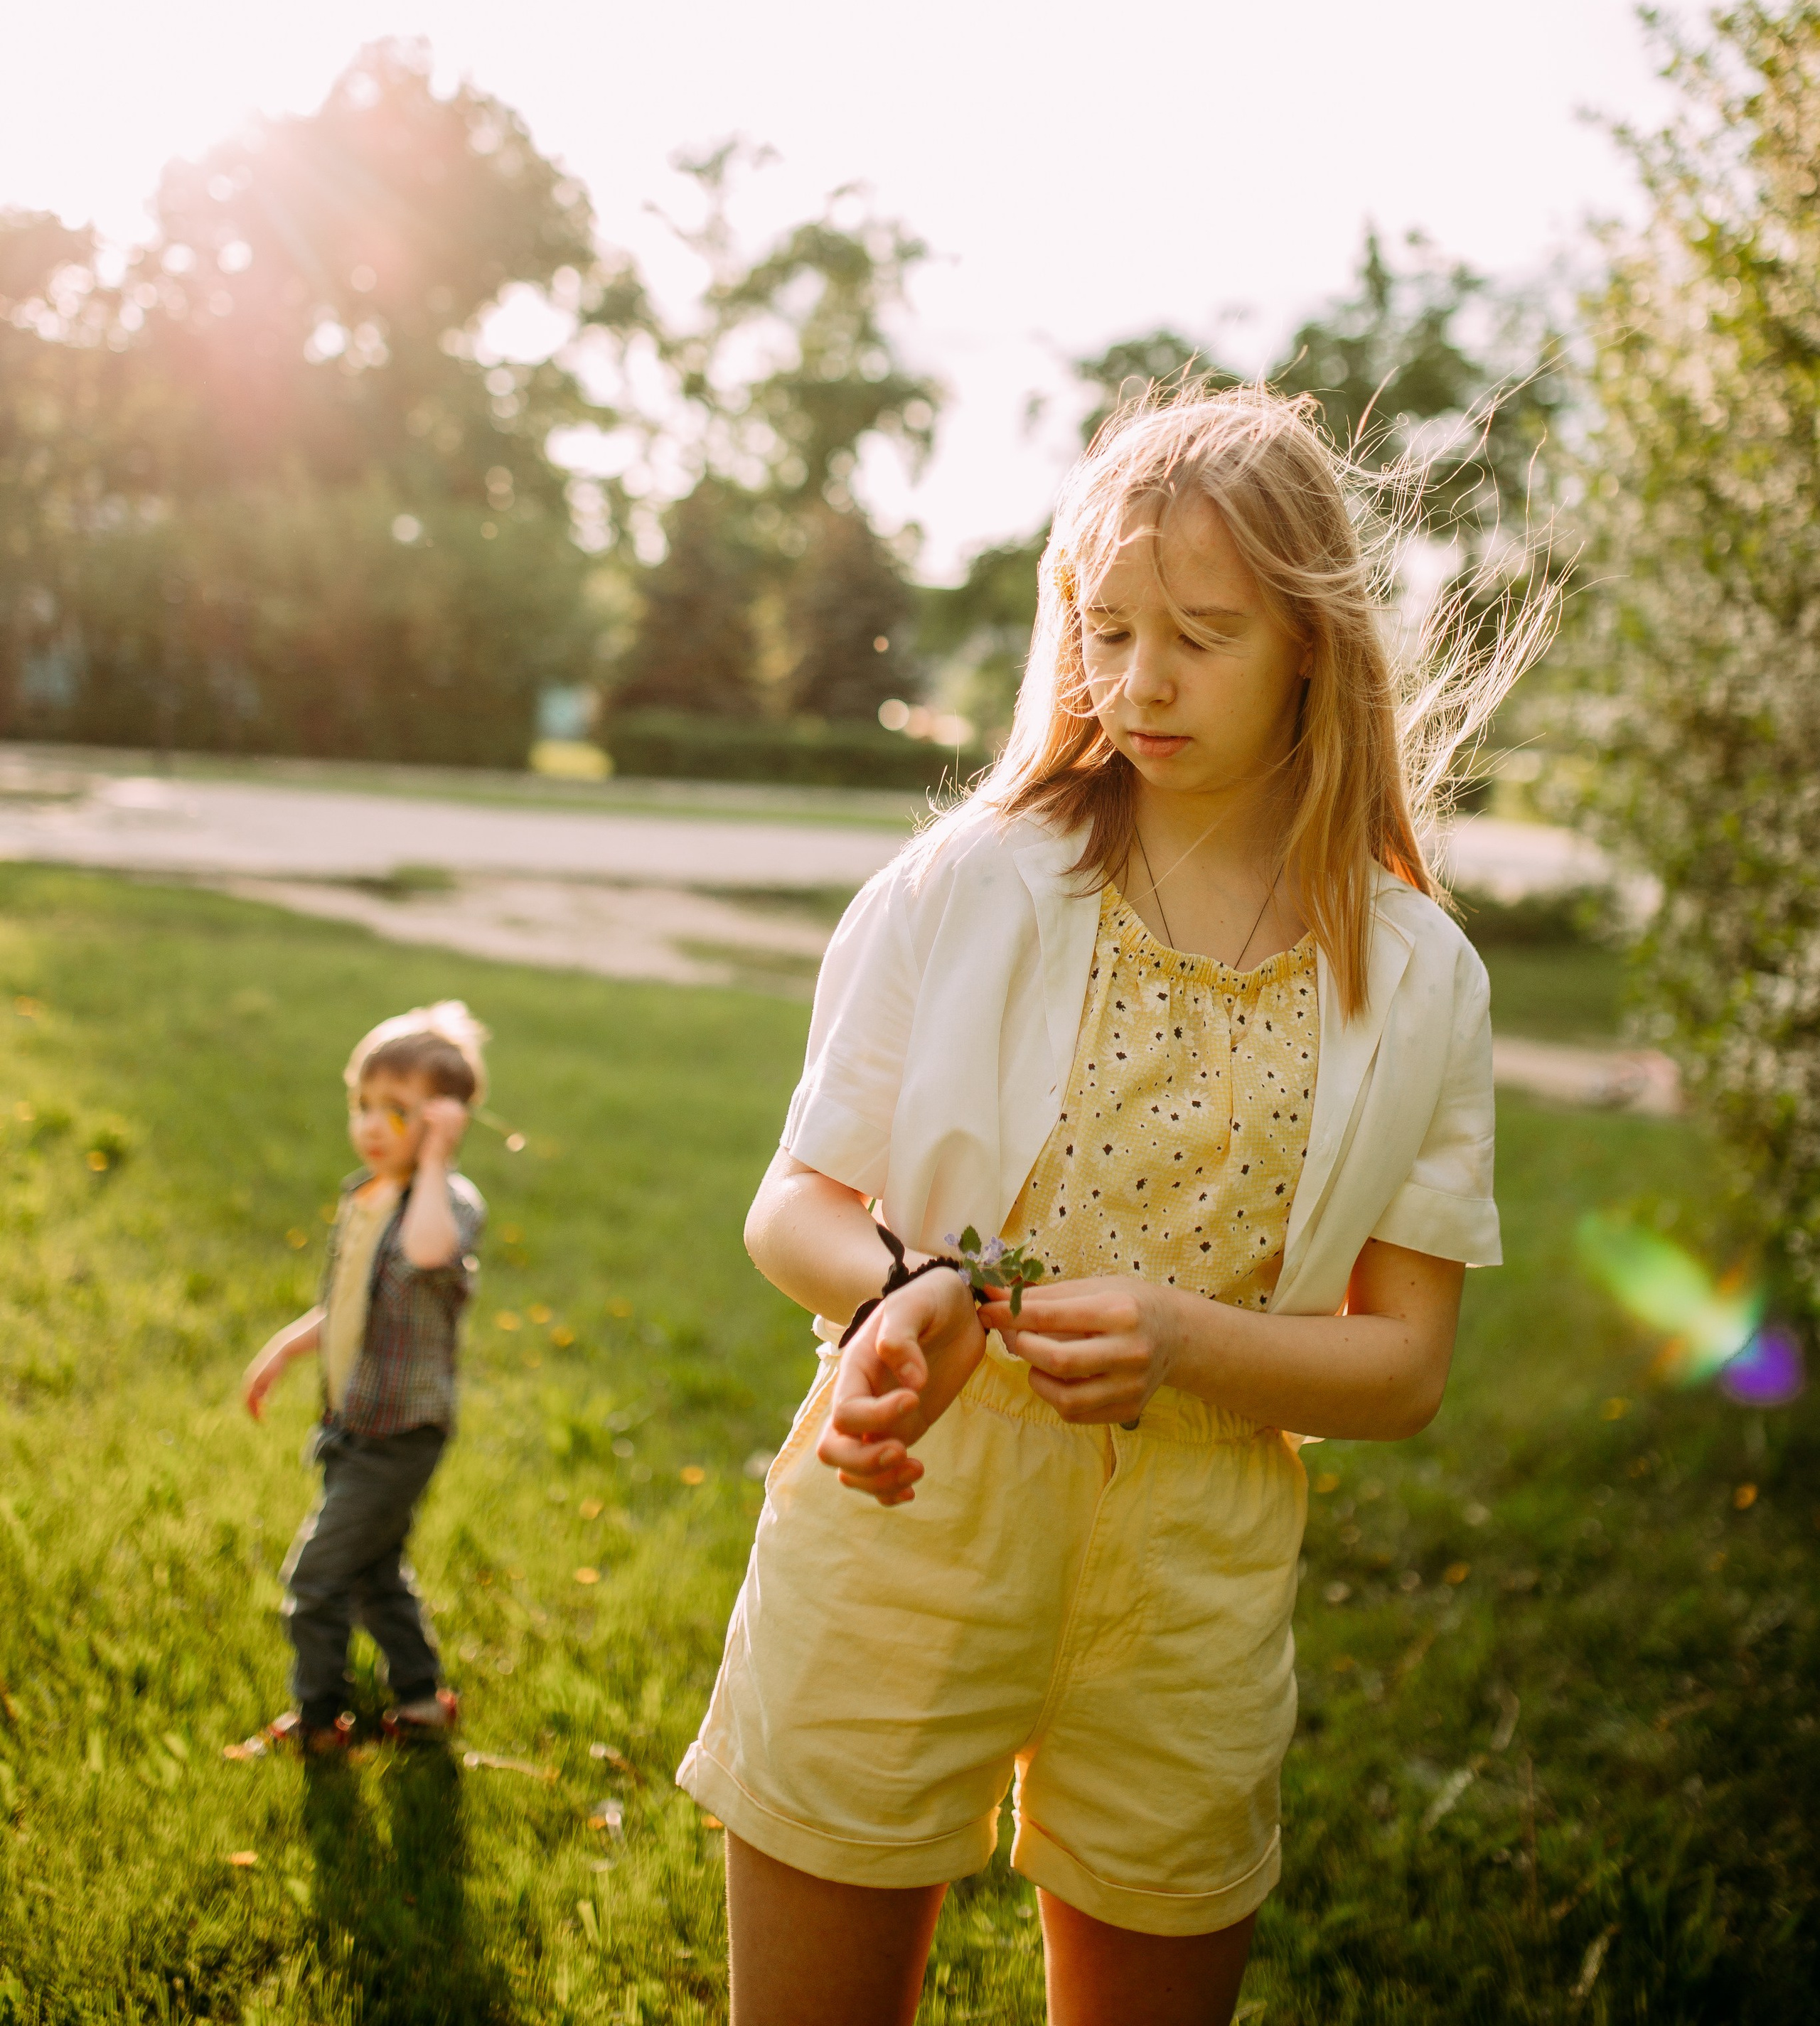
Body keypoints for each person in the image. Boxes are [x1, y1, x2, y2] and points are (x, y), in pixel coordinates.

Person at [678, 385, 1541, 2026]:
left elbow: (1404, 1366)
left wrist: (1178, 1337)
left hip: (1195, 1582)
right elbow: (794, 1197)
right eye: (1104, 626)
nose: (1136, 680)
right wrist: (897, 1293)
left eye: (1199, 633)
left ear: (1310, 641)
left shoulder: (1418, 971)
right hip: (903, 1523)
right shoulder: (967, 881)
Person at [226, 1001, 489, 1759]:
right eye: (363, 1105)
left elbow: (430, 1253)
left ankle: (318, 1722)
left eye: (398, 1112)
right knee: (375, 1571)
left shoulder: (444, 1203)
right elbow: (348, 1305)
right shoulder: (365, 1196)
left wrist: (436, 1159)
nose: (372, 1126)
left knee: (316, 1581)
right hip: (352, 1423)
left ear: (443, 1122)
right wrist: (287, 1348)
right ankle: (419, 1700)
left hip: (400, 1434)